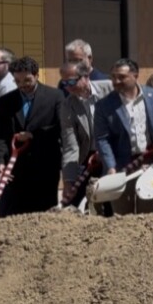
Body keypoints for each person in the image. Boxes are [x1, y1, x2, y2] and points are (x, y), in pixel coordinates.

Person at [0, 57, 63, 216]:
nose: (22, 85)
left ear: (36, 75)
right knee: (10, 218)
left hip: (44, 170)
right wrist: (0, 162)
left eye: (27, 80)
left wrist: (34, 136)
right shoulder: (5, 102)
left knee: (43, 219)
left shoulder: (55, 97)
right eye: (17, 81)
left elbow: (61, 129)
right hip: (14, 172)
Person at [94, 59, 153, 215]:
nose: (116, 81)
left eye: (122, 77)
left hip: (151, 165)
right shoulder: (104, 105)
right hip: (121, 168)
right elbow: (102, 139)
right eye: (113, 77)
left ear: (135, 75)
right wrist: (111, 166)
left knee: (148, 216)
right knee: (122, 218)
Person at [57, 61, 112, 212]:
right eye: (64, 83)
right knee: (70, 204)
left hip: (114, 154)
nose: (68, 86)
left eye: (72, 81)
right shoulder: (67, 106)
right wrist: (68, 181)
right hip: (88, 156)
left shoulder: (110, 89)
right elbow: (70, 144)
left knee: (110, 203)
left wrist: (105, 151)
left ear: (86, 77)